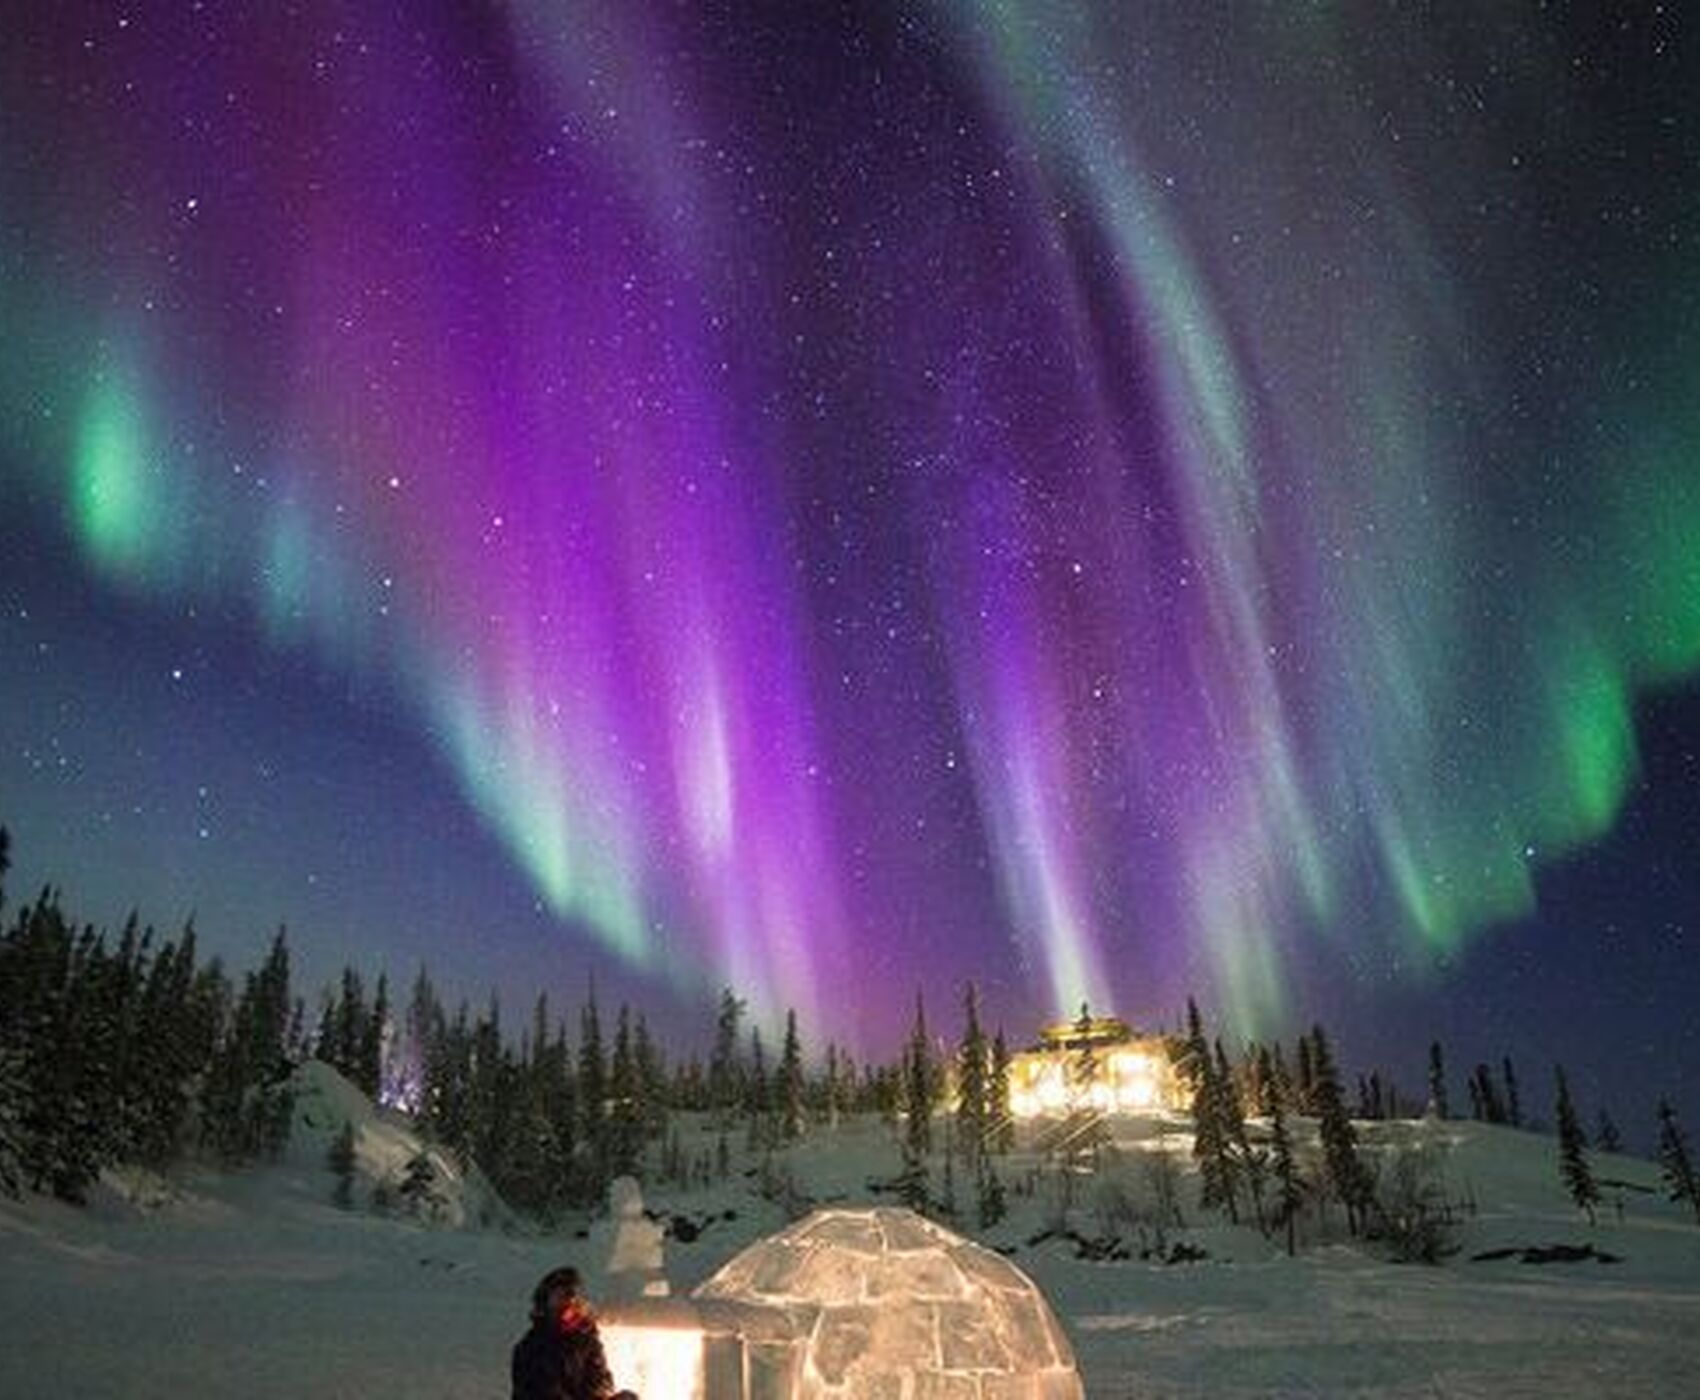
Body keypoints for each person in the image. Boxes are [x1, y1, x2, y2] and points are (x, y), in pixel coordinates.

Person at [511, 1266, 638, 1400]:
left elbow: (600, 1380)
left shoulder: (586, 1339)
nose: (569, 1303)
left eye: (572, 1296)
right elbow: (544, 1391)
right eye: (561, 1297)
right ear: (546, 1303)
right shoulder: (531, 1348)